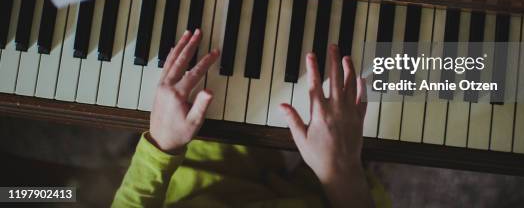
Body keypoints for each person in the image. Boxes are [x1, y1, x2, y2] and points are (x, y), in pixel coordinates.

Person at [112, 29, 390, 207]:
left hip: (205, 171)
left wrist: (162, 144)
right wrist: (343, 171)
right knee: (399, 76)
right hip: (322, 194)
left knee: (226, 52)